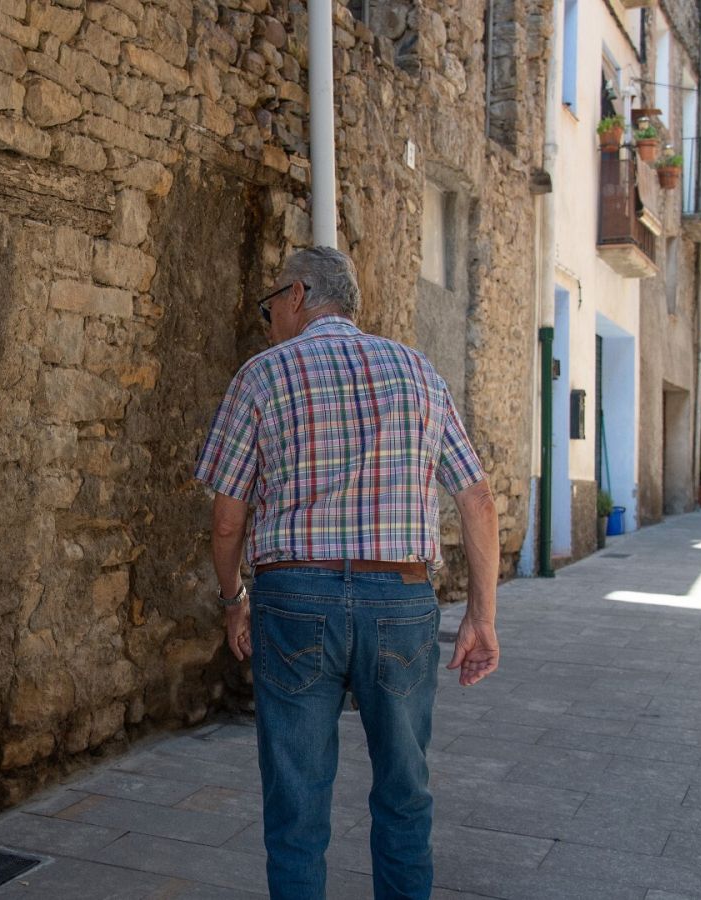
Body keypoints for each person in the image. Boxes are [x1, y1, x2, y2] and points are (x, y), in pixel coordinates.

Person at [194, 246, 501, 900]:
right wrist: (482, 615)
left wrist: (232, 600)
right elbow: (477, 499)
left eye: (270, 300)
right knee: (405, 792)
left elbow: (227, 519)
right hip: (402, 599)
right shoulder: (420, 373)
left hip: (295, 597)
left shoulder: (263, 375)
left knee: (297, 800)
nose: (268, 314)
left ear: (299, 294)